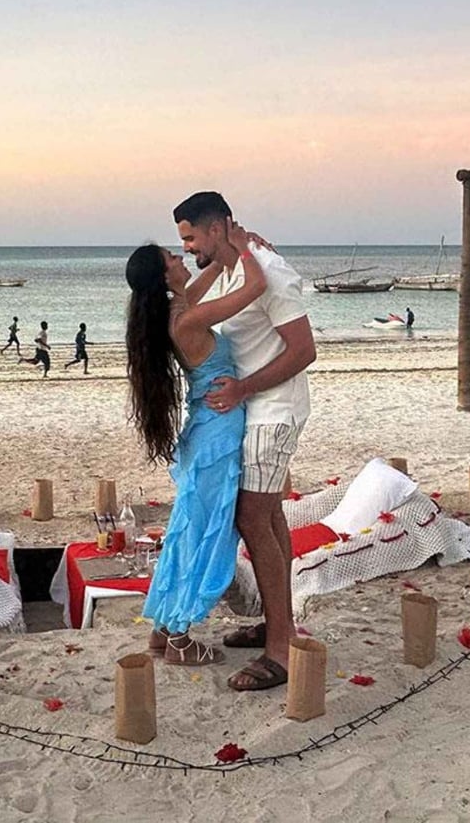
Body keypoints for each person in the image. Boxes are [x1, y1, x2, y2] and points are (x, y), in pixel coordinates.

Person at [176, 191, 315, 693]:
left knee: (252, 516)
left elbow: (304, 350)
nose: (189, 248)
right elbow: (189, 300)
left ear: (217, 229)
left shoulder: (270, 272)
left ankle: (280, 647)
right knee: (269, 516)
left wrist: (243, 388)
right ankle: (280, 624)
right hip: (250, 409)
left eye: (192, 237)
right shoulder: (235, 269)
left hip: (272, 409)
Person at [125, 221, 264, 667]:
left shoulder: (181, 307)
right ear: (164, 276)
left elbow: (212, 275)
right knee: (208, 533)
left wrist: (226, 248)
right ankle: (182, 634)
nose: (181, 257)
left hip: (207, 429)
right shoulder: (188, 317)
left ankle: (165, 628)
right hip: (217, 435)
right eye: (172, 257)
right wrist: (243, 249)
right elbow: (254, 287)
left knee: (188, 530)